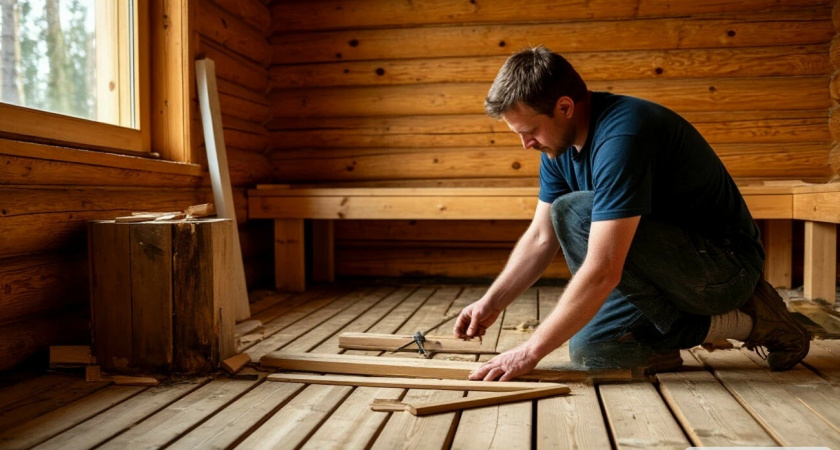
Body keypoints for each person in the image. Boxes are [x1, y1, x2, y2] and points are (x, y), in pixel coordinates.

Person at [453, 46, 810, 381]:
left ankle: (753, 318)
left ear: (564, 107)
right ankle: (668, 344)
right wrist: (491, 303)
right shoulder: (556, 147)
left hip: (723, 272)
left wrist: (529, 352)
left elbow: (603, 271)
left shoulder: (625, 135)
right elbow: (540, 237)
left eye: (529, 131)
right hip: (662, 270)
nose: (526, 144)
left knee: (575, 212)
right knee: (595, 351)